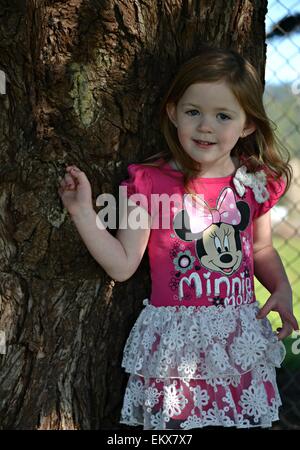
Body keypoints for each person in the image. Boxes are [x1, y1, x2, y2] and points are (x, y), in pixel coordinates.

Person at [58, 46, 299, 430]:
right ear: (173, 113)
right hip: (177, 346)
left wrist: (281, 288)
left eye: (223, 116)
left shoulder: (253, 181)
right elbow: (122, 265)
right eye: (193, 112)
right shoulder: (150, 183)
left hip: (237, 341)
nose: (206, 126)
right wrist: (83, 212)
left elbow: (261, 248)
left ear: (248, 124)